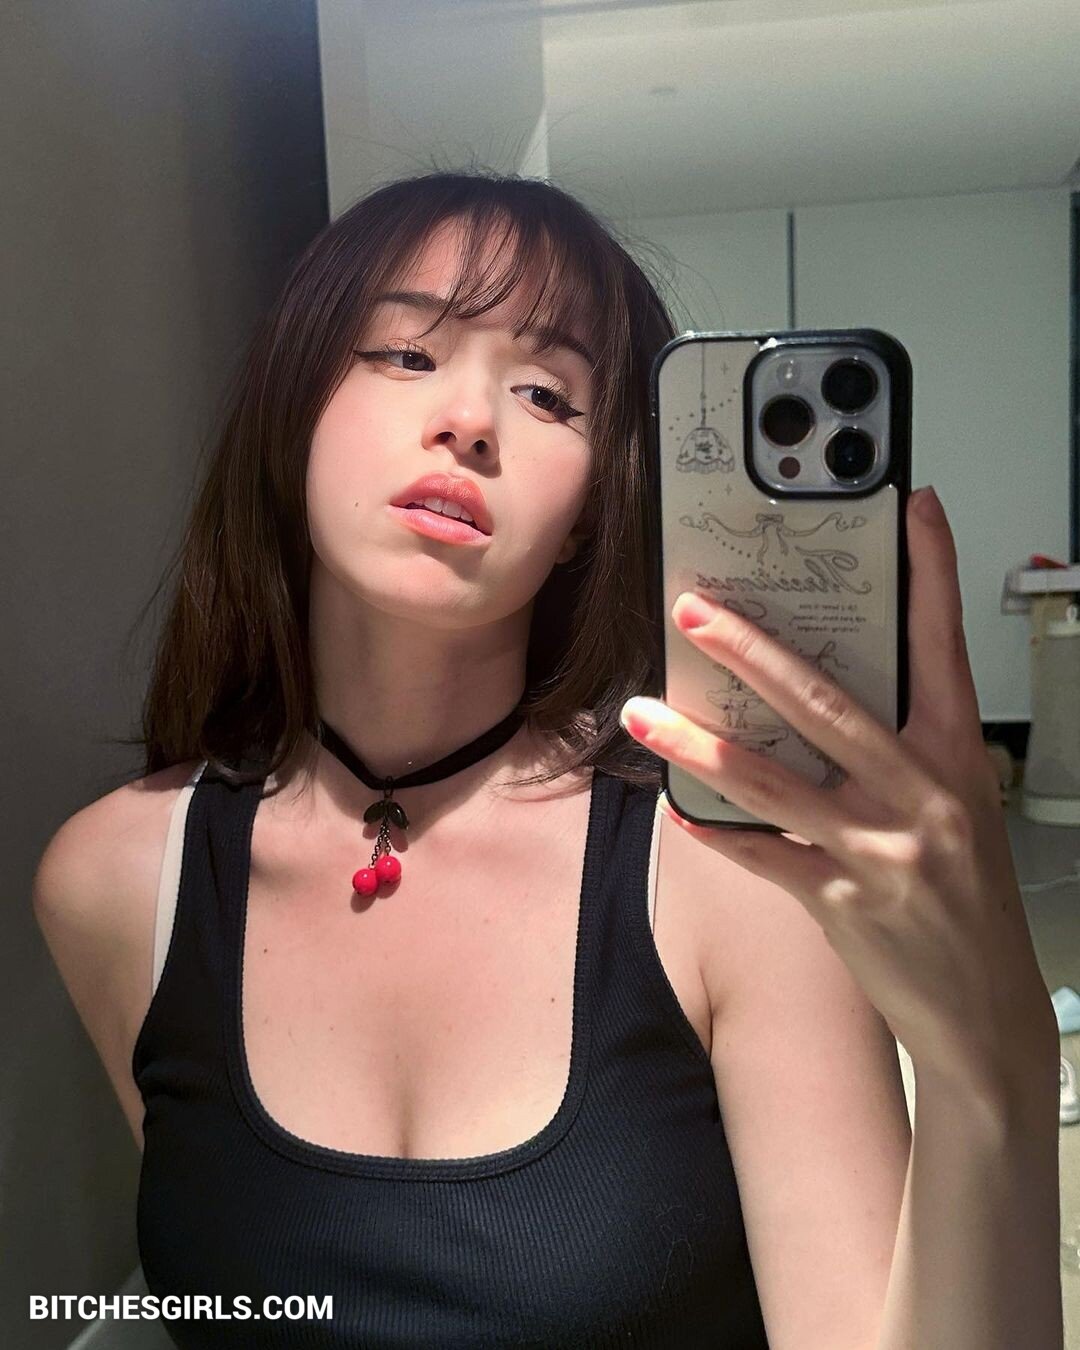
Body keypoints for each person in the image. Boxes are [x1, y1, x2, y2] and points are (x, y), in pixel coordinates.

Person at [31, 169, 1060, 1349]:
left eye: (545, 394)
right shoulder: (116, 883)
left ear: (589, 513)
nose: (469, 419)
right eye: (407, 353)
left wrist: (996, 1067)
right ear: (292, 410)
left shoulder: (724, 875)